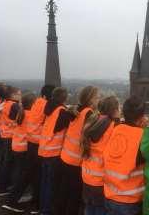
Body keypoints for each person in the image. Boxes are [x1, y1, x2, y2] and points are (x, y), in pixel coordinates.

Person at [56, 86, 100, 215]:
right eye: (97, 97)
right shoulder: (89, 113)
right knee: (74, 196)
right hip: (76, 161)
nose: (99, 99)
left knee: (64, 192)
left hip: (65, 156)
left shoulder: (75, 110)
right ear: (91, 99)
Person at [104, 96, 147, 215]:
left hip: (110, 194)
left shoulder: (116, 129)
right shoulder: (142, 136)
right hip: (129, 200)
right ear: (142, 117)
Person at [82, 96, 119, 215]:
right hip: (100, 180)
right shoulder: (113, 126)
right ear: (114, 110)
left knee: (89, 208)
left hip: (87, 176)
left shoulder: (93, 120)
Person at [2, 93, 37, 213]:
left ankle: (14, 197)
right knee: (23, 175)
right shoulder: (31, 115)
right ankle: (13, 200)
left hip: (16, 145)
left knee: (22, 173)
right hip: (24, 148)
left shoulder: (21, 113)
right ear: (33, 104)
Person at [38, 87, 69, 215]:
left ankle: (42, 208)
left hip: (44, 150)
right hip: (54, 153)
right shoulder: (61, 111)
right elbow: (67, 123)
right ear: (64, 98)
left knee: (44, 182)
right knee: (51, 184)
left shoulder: (49, 108)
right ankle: (46, 211)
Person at [26, 85, 55, 214]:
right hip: (40, 144)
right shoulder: (46, 105)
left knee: (36, 175)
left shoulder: (37, 102)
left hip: (30, 141)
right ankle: (39, 205)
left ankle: (36, 202)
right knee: (41, 177)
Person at [0, 86, 22, 196]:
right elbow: (22, 118)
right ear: (12, 95)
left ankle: (2, 186)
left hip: (5, 135)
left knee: (6, 162)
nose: (20, 95)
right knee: (10, 163)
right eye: (18, 93)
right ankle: (7, 188)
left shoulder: (6, 104)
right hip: (11, 136)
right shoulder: (15, 105)